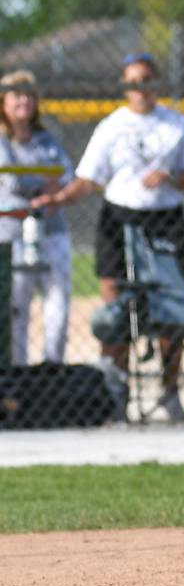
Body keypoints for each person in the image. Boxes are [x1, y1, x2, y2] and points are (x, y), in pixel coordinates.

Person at [33, 51, 184, 421]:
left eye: (145, 80)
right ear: (124, 86)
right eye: (132, 81)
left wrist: (171, 177)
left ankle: (169, 392)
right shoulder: (112, 126)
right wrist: (59, 198)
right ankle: (116, 396)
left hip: (165, 221)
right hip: (119, 219)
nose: (139, 88)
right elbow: (89, 179)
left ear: (155, 84)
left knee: (170, 313)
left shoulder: (176, 125)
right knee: (116, 313)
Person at [0, 70, 75, 365]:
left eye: (30, 95)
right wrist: (45, 181)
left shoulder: (47, 141)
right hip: (12, 234)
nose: (25, 101)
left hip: (52, 230)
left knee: (58, 304)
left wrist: (51, 183)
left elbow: (66, 175)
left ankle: (52, 369)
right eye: (17, 94)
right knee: (17, 307)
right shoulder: (3, 142)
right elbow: (12, 183)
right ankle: (18, 375)